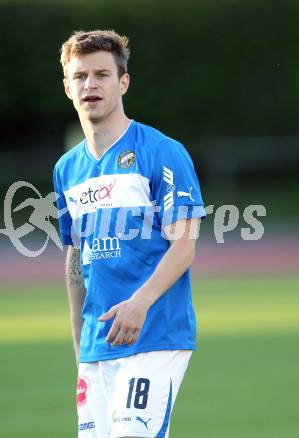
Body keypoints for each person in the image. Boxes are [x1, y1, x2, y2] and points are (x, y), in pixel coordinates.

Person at [53, 30, 206, 438]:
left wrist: (140, 303)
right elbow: (75, 261)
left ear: (123, 83)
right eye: (81, 76)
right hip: (96, 347)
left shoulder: (161, 151)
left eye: (102, 74)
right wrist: (80, 346)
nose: (91, 85)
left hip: (155, 332)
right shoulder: (66, 170)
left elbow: (184, 245)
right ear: (67, 87)